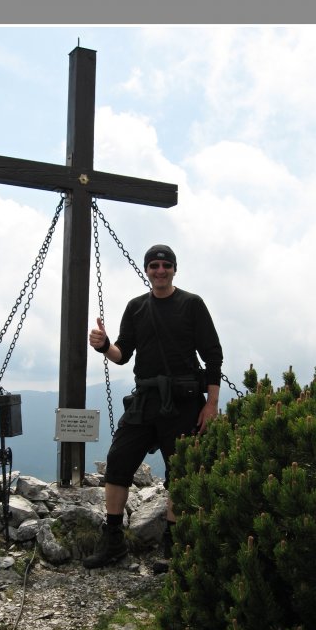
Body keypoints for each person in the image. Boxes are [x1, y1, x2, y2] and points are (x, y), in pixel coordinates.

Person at [84, 243, 223, 569]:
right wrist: (105, 346)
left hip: (185, 401)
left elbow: (213, 356)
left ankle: (175, 550)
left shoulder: (192, 304)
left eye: (166, 265)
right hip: (146, 400)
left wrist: (211, 405)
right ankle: (114, 543)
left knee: (182, 472)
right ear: (147, 270)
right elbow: (123, 354)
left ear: (174, 269)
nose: (160, 271)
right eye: (154, 266)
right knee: (118, 461)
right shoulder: (136, 307)